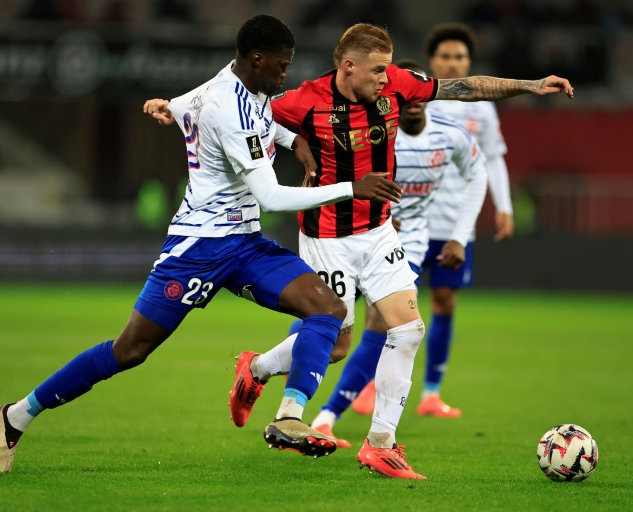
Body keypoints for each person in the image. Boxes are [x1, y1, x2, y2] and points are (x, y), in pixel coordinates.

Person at [0, 14, 402, 474]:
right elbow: (271, 195)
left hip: (244, 244)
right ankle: (15, 415)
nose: (286, 75)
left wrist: (288, 139)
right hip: (199, 247)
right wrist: (351, 187)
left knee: (328, 309)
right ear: (256, 58)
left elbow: (186, 107)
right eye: (281, 66)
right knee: (130, 350)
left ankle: (290, 418)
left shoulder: (238, 87)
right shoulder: (231, 106)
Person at [231, 22, 573, 480]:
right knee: (337, 345)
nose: (384, 79)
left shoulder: (396, 85)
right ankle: (255, 368)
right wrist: (296, 143)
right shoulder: (305, 100)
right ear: (348, 66)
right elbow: (241, 116)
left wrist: (531, 85)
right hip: (328, 237)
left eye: (387, 69)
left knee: (409, 330)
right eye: (376, 70)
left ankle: (381, 444)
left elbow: (466, 88)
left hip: (379, 232)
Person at [306, 58, 488, 449]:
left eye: (419, 92)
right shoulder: (374, 133)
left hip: (408, 244)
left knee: (389, 327)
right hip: (354, 234)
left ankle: (327, 419)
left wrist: (459, 235)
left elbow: (478, 173)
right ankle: (276, 375)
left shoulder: (449, 135)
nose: (414, 100)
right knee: (333, 325)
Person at [350, 23, 519, 418]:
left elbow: (491, 158)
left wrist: (505, 206)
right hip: (403, 222)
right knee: (381, 309)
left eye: (460, 57)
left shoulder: (482, 107)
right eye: (445, 56)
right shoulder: (412, 98)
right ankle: (367, 386)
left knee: (444, 302)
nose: (454, 63)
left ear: (469, 61)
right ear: (432, 62)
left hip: (454, 225)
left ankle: (431, 393)